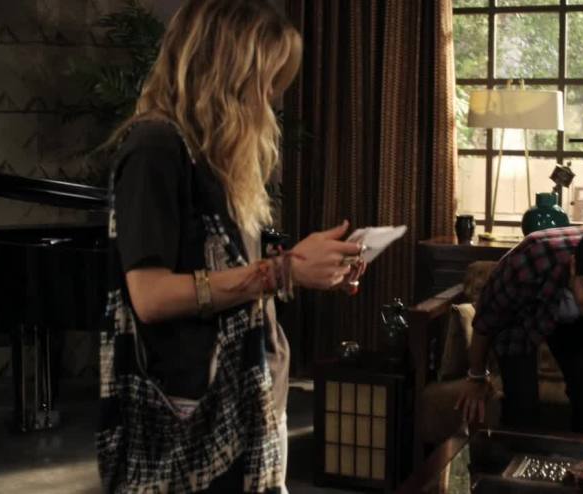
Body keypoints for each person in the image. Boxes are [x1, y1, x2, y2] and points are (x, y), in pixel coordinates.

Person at [96, 1, 365, 492]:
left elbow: (233, 272)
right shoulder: (155, 148)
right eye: (266, 80)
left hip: (252, 398)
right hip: (191, 421)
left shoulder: (216, 156)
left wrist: (307, 266)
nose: (271, 96)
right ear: (224, 69)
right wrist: (284, 271)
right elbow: (151, 297)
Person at [455, 226, 583, 435]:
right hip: (524, 317)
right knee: (521, 406)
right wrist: (476, 376)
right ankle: (517, 452)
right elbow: (487, 318)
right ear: (574, 266)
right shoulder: (528, 261)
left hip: (582, 325)